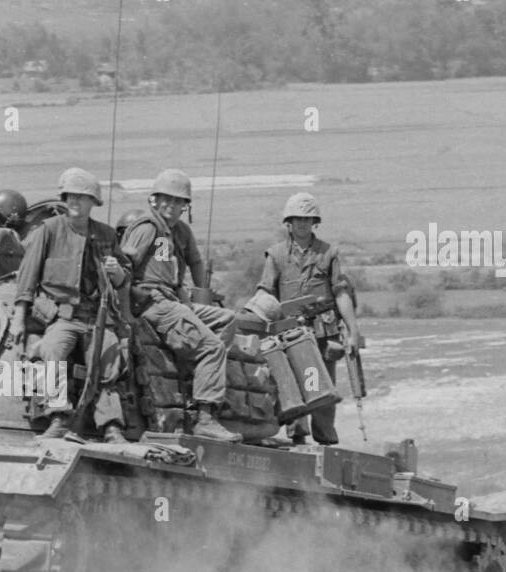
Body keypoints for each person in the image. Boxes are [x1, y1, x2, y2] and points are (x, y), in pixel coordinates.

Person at [10, 167, 130, 442]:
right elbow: (27, 277)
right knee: (51, 350)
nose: (75, 202)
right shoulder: (49, 231)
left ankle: (111, 426)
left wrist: (117, 272)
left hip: (96, 318)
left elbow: (124, 281)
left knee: (108, 357)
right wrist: (18, 317)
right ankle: (59, 417)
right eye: (70, 197)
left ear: (93, 203)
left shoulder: (107, 236)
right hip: (63, 317)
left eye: (82, 197)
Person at [120, 169, 240, 441]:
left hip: (174, 299)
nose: (172, 207)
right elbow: (126, 265)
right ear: (154, 200)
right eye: (167, 200)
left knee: (226, 319)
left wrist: (200, 292)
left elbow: (194, 261)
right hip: (153, 302)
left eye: (179, 203)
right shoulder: (148, 228)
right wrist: (127, 310)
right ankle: (206, 416)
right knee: (212, 347)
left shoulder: (177, 231)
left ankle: (200, 379)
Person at [256, 192, 359, 445]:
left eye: (307, 219)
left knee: (321, 384)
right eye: (297, 219)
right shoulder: (276, 255)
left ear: (315, 222)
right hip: (289, 333)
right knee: (293, 385)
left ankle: (325, 438)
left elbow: (340, 293)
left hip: (323, 331)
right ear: (288, 222)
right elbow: (265, 292)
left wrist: (353, 331)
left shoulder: (328, 253)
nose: (302, 223)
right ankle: (298, 436)